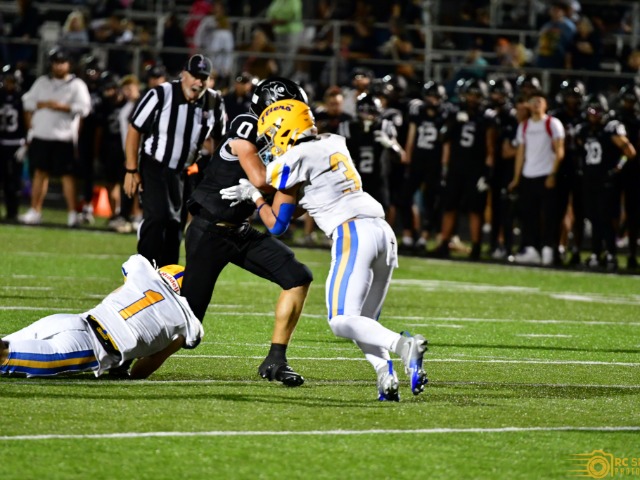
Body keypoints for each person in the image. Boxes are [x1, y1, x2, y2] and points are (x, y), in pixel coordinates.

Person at [220, 99, 428, 401]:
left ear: (284, 129)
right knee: (363, 322)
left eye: (272, 134)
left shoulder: (296, 156)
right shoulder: (333, 141)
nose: (270, 142)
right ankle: (386, 375)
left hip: (353, 232)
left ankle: (404, 346)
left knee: (341, 321)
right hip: (383, 233)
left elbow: (273, 210)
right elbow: (305, 198)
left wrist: (254, 196)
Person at [181, 77, 313, 387]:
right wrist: (293, 175)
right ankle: (124, 357)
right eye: (290, 108)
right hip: (209, 230)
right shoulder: (247, 123)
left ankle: (276, 360)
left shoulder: (282, 139)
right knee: (187, 329)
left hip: (239, 231)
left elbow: (282, 203)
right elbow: (260, 178)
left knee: (297, 276)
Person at [1, 255, 203, 379]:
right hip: (91, 346)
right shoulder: (187, 323)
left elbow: (123, 287)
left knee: (6, 345)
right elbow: (141, 371)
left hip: (69, 320)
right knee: (4, 358)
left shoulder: (142, 272)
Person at [122, 54, 226, 267]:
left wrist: (218, 173)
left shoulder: (214, 101)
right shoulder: (162, 93)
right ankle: (142, 271)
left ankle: (166, 275)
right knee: (159, 217)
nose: (198, 82)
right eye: (194, 76)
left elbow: (219, 140)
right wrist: (131, 170)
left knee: (175, 226)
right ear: (183, 75)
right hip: (155, 165)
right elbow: (135, 128)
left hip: (185, 171)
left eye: (203, 78)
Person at [19, 47, 91, 227]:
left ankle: (72, 213)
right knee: (39, 173)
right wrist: (43, 104)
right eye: (55, 63)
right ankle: (35, 211)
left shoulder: (77, 85)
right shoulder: (42, 82)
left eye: (62, 63)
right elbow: (27, 101)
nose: (58, 66)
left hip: (63, 137)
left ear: (69, 65)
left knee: (67, 175)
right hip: (41, 135)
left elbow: (85, 108)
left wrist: (62, 107)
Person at [575, 94, 636, 271]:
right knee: (593, 218)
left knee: (606, 219)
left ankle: (611, 254)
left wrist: (617, 168)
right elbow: (582, 151)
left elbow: (630, 152)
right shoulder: (584, 129)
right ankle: (596, 253)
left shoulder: (611, 128)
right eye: (591, 110)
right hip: (590, 180)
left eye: (598, 110)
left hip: (606, 181)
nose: (594, 114)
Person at [508, 90, 566, 265]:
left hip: (545, 174)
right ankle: (531, 248)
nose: (536, 104)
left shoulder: (552, 123)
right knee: (528, 215)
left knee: (549, 215)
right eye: (532, 101)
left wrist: (553, 174)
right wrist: (517, 177)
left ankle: (548, 248)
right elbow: (521, 153)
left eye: (539, 101)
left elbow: (559, 151)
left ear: (546, 104)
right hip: (528, 175)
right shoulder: (524, 126)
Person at [0, 64, 26, 222]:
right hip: (2, 142)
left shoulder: (23, 98)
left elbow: (29, 121)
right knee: (3, 179)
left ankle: (13, 212)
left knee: (15, 181)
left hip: (16, 143)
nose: (9, 84)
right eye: (7, 80)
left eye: (12, 81)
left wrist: (26, 143)